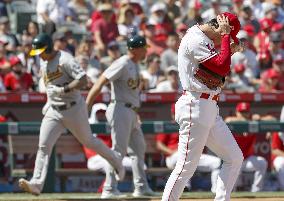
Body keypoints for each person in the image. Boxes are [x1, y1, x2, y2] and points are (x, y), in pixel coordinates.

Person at [18, 33, 125, 196]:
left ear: (48, 48)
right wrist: (49, 102)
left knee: (89, 141)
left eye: (41, 51)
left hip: (73, 108)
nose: (39, 55)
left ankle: (115, 160)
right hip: (54, 110)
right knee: (44, 146)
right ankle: (36, 183)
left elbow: (83, 80)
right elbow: (50, 87)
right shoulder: (44, 63)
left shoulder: (65, 59)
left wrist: (65, 89)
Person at [161, 13, 245, 201]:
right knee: (185, 167)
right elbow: (222, 67)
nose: (224, 39)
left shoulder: (203, 38)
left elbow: (213, 69)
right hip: (195, 105)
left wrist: (228, 49)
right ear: (219, 27)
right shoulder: (195, 38)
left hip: (208, 106)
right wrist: (225, 38)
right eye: (225, 34)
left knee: (234, 157)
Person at [86, 35, 155, 198]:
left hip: (131, 111)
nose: (146, 51)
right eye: (144, 48)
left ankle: (141, 187)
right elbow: (100, 82)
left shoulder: (135, 65)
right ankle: (109, 189)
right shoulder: (122, 63)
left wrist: (135, 113)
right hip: (119, 108)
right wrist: (87, 105)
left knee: (139, 148)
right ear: (135, 49)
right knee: (118, 151)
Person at [156, 103, 221, 193]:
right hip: (174, 157)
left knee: (216, 162)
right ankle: (185, 188)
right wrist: (171, 151)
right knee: (183, 155)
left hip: (193, 154)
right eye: (175, 114)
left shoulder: (193, 125)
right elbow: (159, 145)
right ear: (172, 114)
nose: (177, 116)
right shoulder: (169, 125)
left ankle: (216, 191)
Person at [225, 102, 268, 192]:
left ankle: (256, 191)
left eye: (246, 112)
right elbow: (228, 120)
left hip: (247, 159)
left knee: (262, 163)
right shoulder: (233, 121)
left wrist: (259, 118)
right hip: (234, 160)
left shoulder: (253, 123)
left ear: (249, 112)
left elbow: (272, 119)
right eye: (242, 112)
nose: (244, 114)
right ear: (237, 112)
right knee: (231, 189)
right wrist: (247, 121)